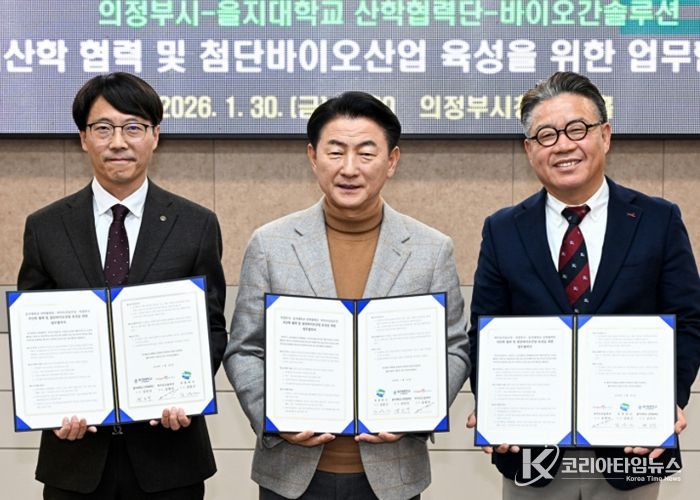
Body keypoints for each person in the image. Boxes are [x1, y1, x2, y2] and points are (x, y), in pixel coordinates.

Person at [224, 91, 469, 500]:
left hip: (392, 475)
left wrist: (417, 413)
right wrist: (274, 418)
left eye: (366, 153)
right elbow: (244, 349)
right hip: (290, 473)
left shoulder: (431, 248)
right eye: (335, 152)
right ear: (313, 157)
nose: (349, 168)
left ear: (392, 161)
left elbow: (454, 348)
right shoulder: (270, 244)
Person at [466, 71, 700, 498]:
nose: (563, 145)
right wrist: (495, 407)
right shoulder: (502, 229)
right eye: (546, 135)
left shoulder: (658, 219)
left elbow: (688, 320)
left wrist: (669, 398)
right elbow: (485, 329)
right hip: (532, 451)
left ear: (605, 136)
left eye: (577, 129)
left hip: (631, 446)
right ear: (529, 149)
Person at [17, 72, 227, 499]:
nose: (118, 142)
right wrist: (52, 406)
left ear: (155, 136)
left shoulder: (196, 224)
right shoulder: (45, 227)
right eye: (103, 128)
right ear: (83, 138)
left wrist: (187, 392)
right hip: (74, 457)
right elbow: (33, 335)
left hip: (170, 456)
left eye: (133, 127)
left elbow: (212, 327)